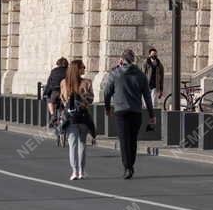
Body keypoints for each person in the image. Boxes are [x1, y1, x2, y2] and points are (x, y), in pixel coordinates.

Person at [102, 50, 155, 179]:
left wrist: (107, 107)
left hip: (121, 111)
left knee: (124, 140)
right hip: (136, 111)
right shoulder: (141, 75)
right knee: (132, 140)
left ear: (122, 60)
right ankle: (131, 164)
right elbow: (147, 97)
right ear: (133, 60)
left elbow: (107, 92)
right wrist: (151, 114)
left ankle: (127, 167)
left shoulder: (115, 74)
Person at [60, 59, 95, 181]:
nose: (84, 69)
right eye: (83, 67)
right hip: (83, 117)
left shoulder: (64, 83)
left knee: (72, 145)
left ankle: (74, 171)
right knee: (82, 144)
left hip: (70, 118)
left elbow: (63, 100)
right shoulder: (87, 82)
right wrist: (83, 97)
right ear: (78, 69)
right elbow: (91, 99)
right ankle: (82, 171)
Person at [43, 58, 69, 126]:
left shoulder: (54, 71)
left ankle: (53, 115)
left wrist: (45, 93)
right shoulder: (69, 71)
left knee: (50, 100)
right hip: (66, 92)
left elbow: (49, 83)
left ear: (58, 64)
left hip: (55, 91)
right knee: (66, 103)